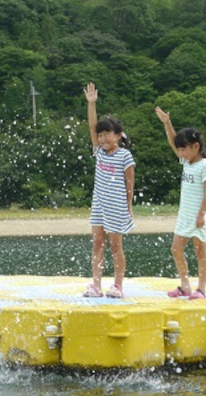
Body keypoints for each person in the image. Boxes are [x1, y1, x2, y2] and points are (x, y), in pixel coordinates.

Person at [154, 106, 206, 300]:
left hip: (199, 215)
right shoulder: (186, 162)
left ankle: (202, 289)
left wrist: (201, 215)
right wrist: (167, 123)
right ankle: (185, 285)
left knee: (199, 249)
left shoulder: (205, 166)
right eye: (179, 149)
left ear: (196, 146)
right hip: (185, 214)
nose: (180, 152)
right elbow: (173, 141)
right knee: (176, 248)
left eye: (184, 148)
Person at [82, 82, 135, 299]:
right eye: (100, 135)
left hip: (117, 206)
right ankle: (96, 285)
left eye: (107, 135)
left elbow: (130, 184)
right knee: (97, 243)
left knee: (115, 246)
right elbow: (91, 125)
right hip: (99, 205)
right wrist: (92, 104)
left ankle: (117, 286)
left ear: (118, 135)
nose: (103, 139)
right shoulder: (99, 152)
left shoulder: (125, 156)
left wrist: (129, 208)